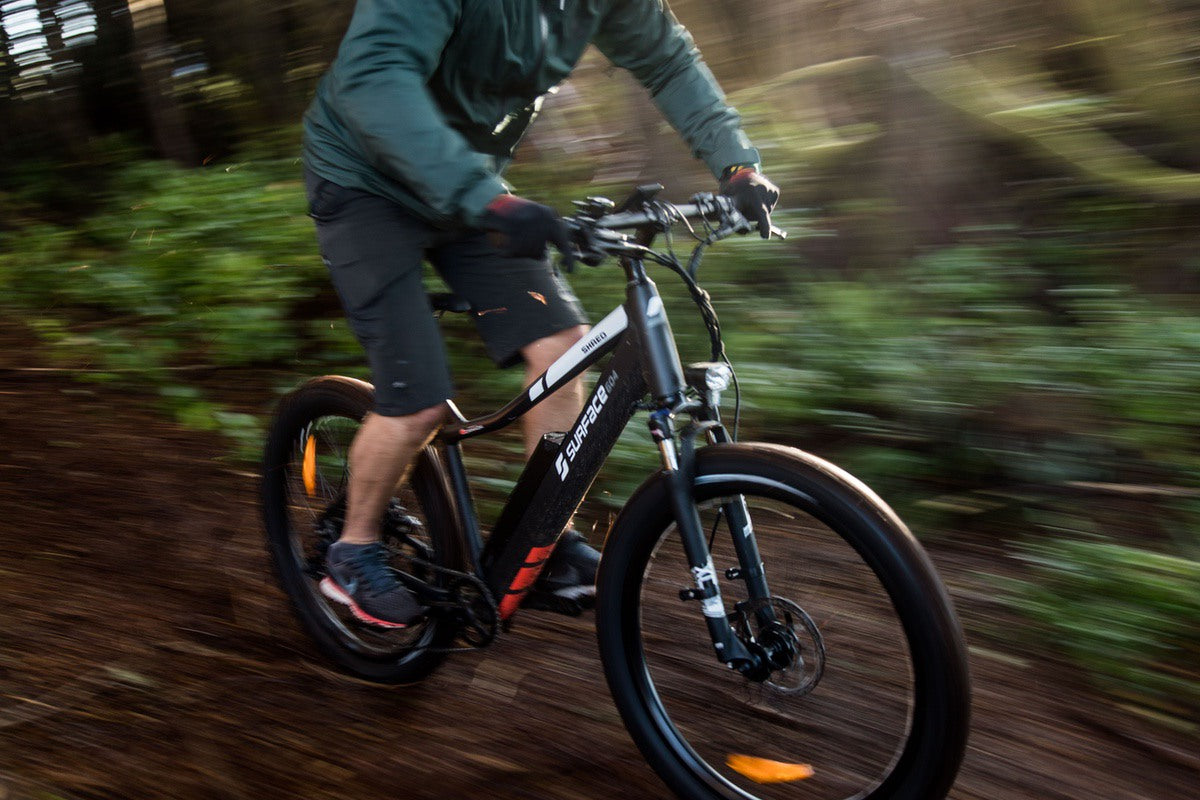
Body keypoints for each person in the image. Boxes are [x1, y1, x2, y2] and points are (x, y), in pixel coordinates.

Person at [302, 0, 780, 628]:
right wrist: (488, 200)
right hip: (365, 181)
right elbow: (374, 77)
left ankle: (541, 544)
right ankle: (353, 549)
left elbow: (667, 61)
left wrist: (737, 164)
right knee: (416, 397)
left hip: (467, 187)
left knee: (564, 348)